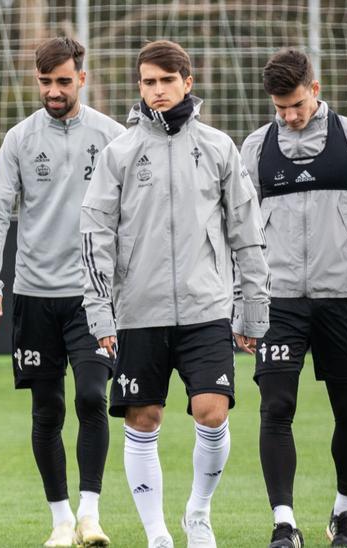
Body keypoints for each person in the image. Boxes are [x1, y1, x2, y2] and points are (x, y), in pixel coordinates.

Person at [79, 40, 270, 548]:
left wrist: (253, 308)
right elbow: (93, 236)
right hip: (138, 312)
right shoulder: (119, 153)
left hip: (207, 308)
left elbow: (246, 232)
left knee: (213, 410)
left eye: (166, 80)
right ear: (138, 87)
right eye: (148, 81)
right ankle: (157, 534)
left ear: (188, 81)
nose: (157, 90)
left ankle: (198, 513)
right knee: (144, 418)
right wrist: (101, 315)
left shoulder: (218, 147)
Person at [239, 48, 347, 548]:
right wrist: (242, 303)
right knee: (275, 407)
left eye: (296, 104)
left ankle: (345, 513)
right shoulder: (255, 148)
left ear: (315, 90)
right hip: (278, 301)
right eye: (280, 109)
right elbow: (237, 232)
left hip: (343, 296)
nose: (289, 116)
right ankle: (284, 524)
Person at [0, 36, 123, 548]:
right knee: (46, 410)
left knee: (90, 397)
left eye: (64, 81)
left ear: (82, 78)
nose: (55, 90)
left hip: (93, 296)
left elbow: (132, 215)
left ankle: (90, 514)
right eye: (46, 82)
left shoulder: (111, 136)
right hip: (35, 295)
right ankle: (60, 520)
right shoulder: (19, 139)